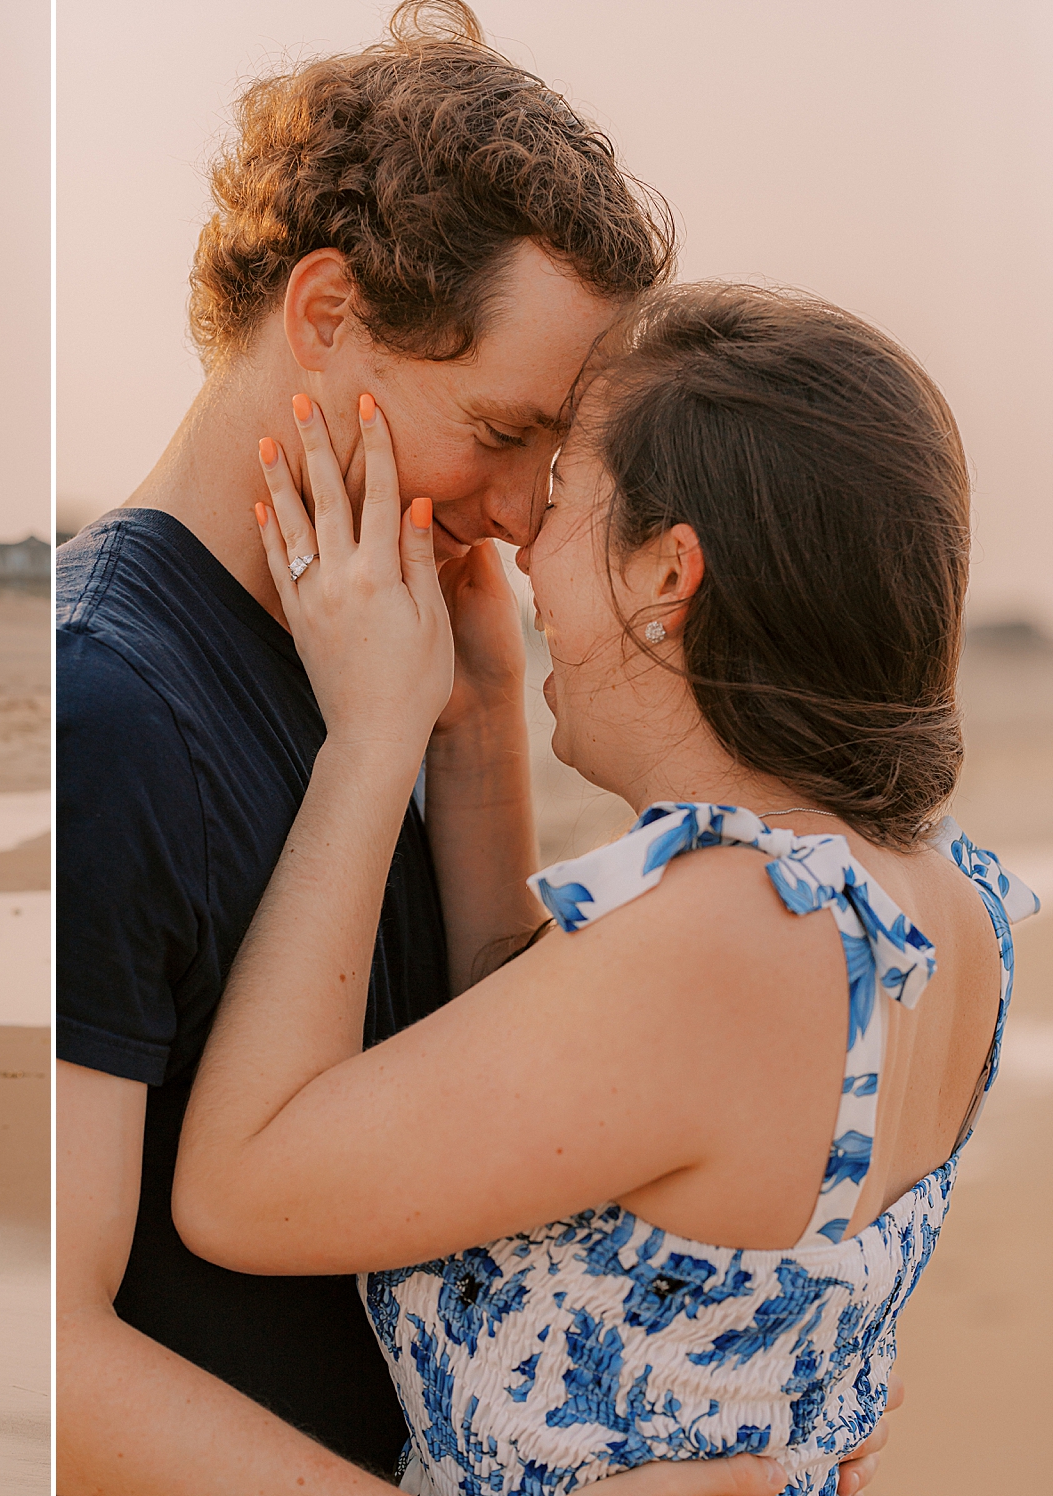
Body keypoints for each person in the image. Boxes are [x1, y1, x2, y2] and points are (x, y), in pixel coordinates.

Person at [56, 5, 895, 1492]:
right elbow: (52, 1356)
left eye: (552, 459)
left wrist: (477, 733)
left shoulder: (380, 652)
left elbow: (476, 1095)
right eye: (498, 430)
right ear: (324, 313)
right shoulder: (107, 706)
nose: (520, 513)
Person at [172, 283, 1037, 1493]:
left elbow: (239, 1184)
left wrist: (369, 739)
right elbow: (553, 1070)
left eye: (563, 497)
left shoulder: (728, 937)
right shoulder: (938, 903)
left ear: (667, 574)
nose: (520, 541)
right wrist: (473, 719)